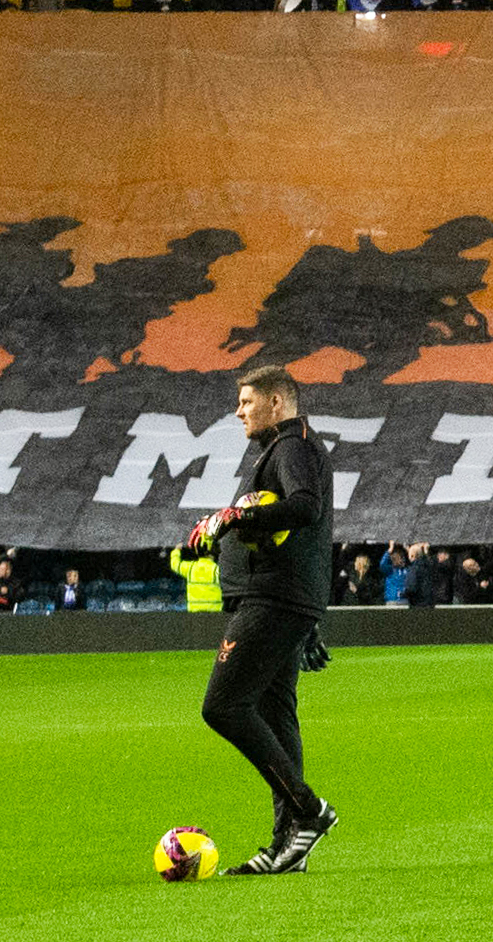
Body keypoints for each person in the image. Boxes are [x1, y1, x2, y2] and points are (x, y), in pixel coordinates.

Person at [184, 363, 341, 875]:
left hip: (273, 600)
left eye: (247, 401)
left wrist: (236, 517)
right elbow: (289, 528)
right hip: (283, 598)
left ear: (277, 402)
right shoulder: (286, 449)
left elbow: (304, 508)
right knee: (276, 715)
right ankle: (287, 844)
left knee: (223, 706)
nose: (239, 411)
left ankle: (308, 810)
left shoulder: (293, 446)